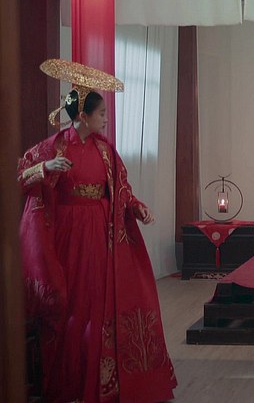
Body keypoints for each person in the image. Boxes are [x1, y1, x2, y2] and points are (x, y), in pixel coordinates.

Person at [17, 59, 177, 402]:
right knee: (72, 304)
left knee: (100, 303)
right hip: (68, 235)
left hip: (102, 233)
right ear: (83, 115)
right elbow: (18, 176)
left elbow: (120, 188)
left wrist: (136, 207)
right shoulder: (54, 146)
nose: (105, 119)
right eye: (101, 113)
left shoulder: (105, 150)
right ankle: (71, 381)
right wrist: (45, 167)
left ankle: (103, 381)